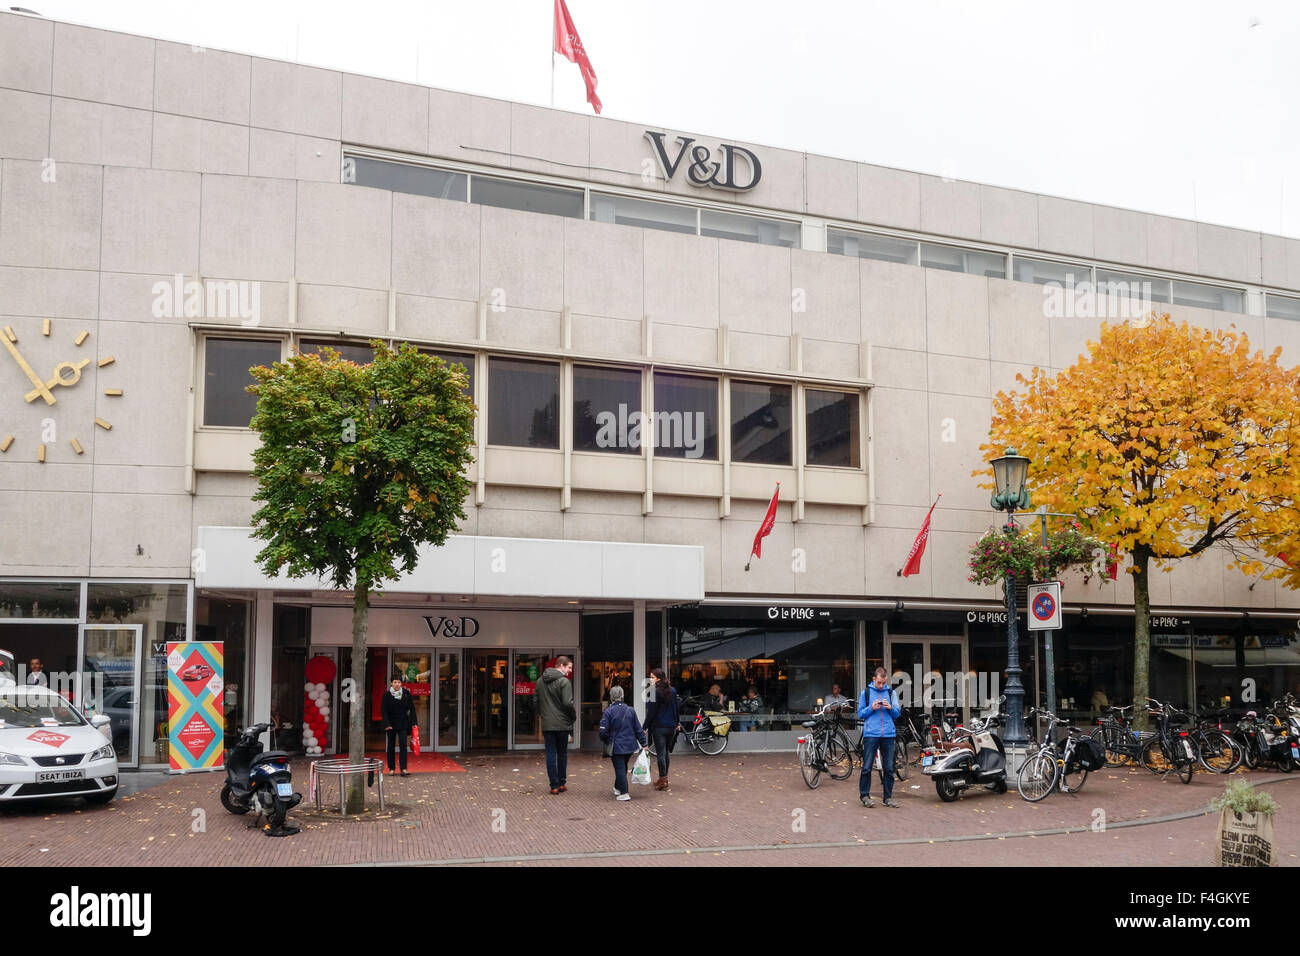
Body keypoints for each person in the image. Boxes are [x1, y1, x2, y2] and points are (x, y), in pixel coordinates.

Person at [858, 666, 901, 809]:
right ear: (874, 679)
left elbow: (897, 714)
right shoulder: (866, 693)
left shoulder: (891, 692)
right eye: (879, 682)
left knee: (889, 768)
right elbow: (860, 714)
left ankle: (887, 798)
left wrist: (890, 707)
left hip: (888, 734)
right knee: (867, 767)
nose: (881, 685)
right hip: (871, 734)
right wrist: (871, 707)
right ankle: (865, 796)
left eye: (884, 682)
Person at [598, 685, 647, 801]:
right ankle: (617, 787)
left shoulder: (608, 712)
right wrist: (644, 744)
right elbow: (638, 729)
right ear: (623, 696)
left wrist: (606, 740)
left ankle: (624, 793)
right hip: (630, 746)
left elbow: (603, 732)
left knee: (619, 768)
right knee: (623, 766)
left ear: (611, 697)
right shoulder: (630, 710)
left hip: (616, 745)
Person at [536, 655, 576, 795]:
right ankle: (562, 783)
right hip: (562, 724)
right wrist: (572, 716)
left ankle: (553, 785)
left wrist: (543, 715)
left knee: (551, 754)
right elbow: (567, 703)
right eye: (569, 667)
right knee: (562, 754)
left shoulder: (540, 681)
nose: (570, 670)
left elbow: (535, 702)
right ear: (561, 666)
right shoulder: (564, 682)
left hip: (547, 724)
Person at [644, 668, 679, 790]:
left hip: (659, 726)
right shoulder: (673, 690)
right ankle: (664, 778)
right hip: (671, 726)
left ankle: (663, 779)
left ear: (658, 678)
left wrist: (644, 727)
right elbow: (676, 708)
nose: (650, 679)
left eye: (652, 677)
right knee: (666, 752)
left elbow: (651, 712)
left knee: (660, 753)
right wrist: (677, 722)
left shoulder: (654, 691)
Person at [380, 676, 417, 776]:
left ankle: (403, 768)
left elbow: (412, 709)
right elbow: (384, 711)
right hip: (390, 725)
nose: (397, 684)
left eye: (399, 682)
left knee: (403, 745)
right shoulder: (387, 695)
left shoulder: (406, 694)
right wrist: (387, 724)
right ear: (391, 683)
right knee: (391, 746)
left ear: (401, 683)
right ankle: (391, 768)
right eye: (395, 682)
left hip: (403, 723)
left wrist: (414, 723)